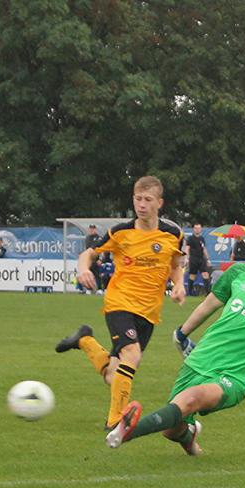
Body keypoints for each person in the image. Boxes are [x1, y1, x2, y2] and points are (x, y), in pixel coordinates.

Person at [106, 223, 245, 455]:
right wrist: (182, 333)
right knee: (172, 428)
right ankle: (189, 436)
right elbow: (207, 306)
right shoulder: (238, 273)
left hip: (235, 374)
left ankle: (126, 431)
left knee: (191, 398)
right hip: (199, 361)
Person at [55, 176, 186, 430]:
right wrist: (83, 269)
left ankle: (85, 340)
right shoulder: (121, 232)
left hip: (149, 312)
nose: (142, 205)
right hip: (120, 303)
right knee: (132, 355)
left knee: (113, 375)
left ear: (160, 202)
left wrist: (179, 284)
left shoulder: (173, 234)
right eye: (138, 199)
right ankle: (115, 419)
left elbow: (174, 265)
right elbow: (88, 254)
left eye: (148, 200)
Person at [184, 223, 211, 295]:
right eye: (196, 228)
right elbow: (187, 248)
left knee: (205, 274)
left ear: (201, 229)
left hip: (201, 259)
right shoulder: (190, 238)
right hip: (193, 259)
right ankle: (190, 292)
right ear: (193, 229)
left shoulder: (202, 238)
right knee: (193, 275)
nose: (197, 230)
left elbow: (204, 249)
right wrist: (186, 258)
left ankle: (208, 292)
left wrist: (208, 259)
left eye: (199, 228)